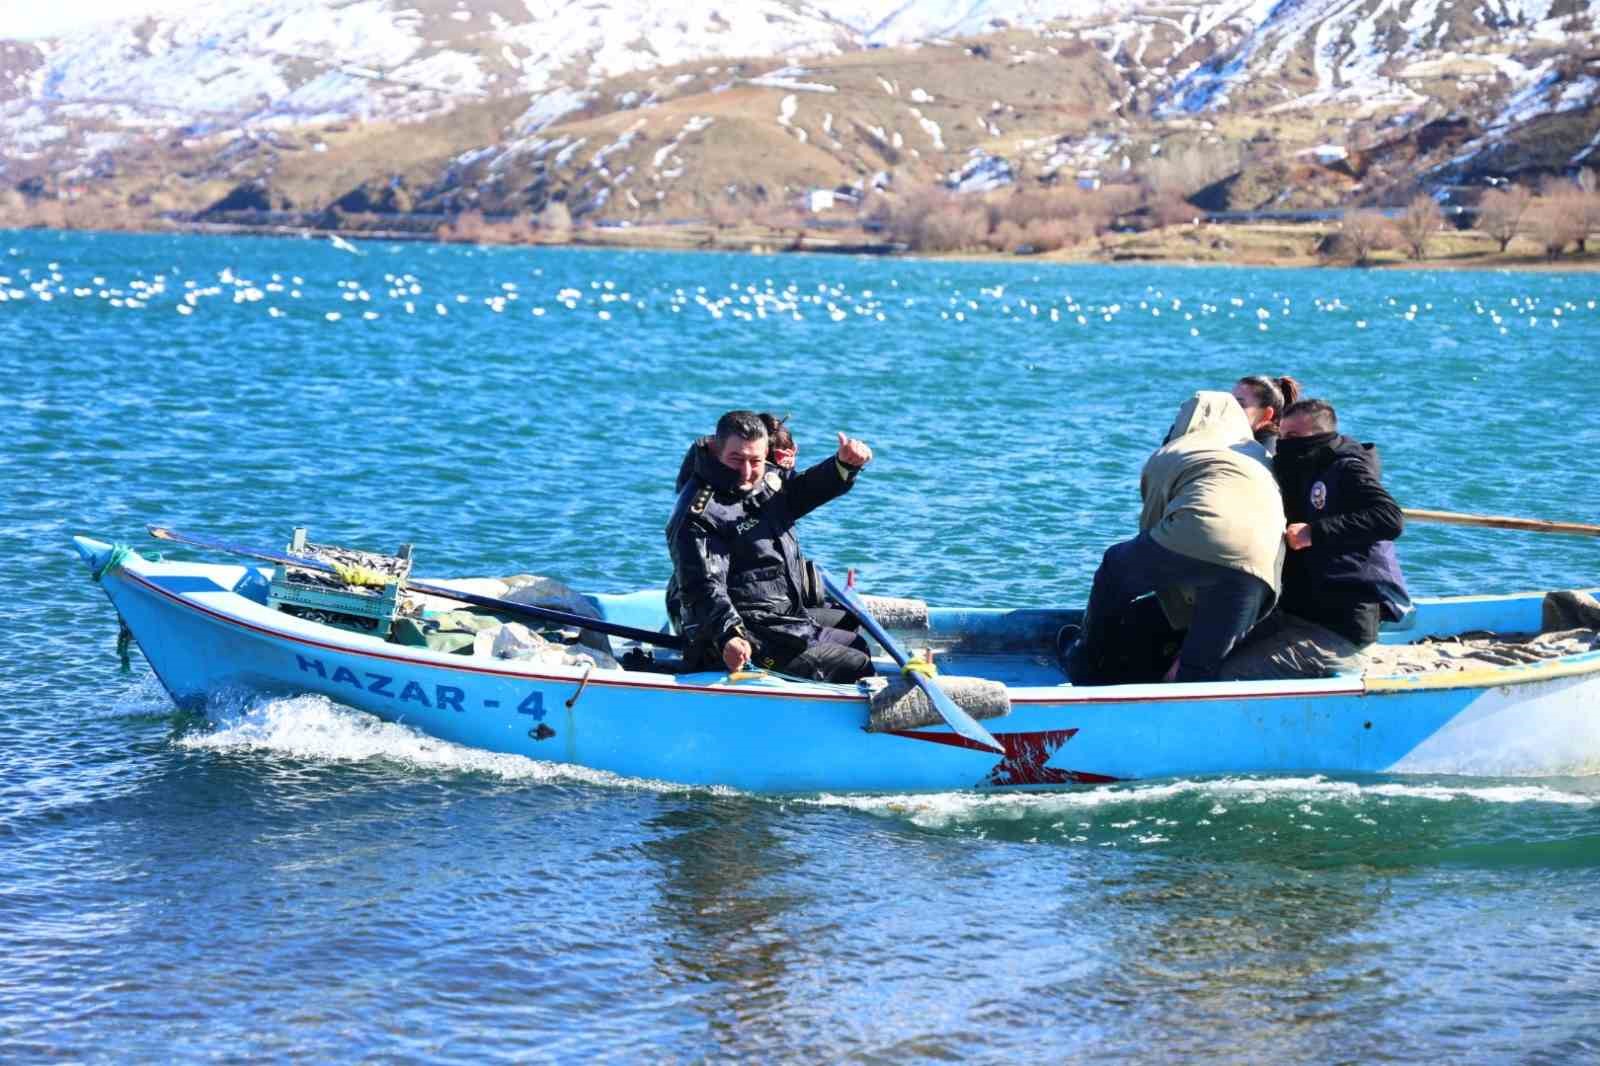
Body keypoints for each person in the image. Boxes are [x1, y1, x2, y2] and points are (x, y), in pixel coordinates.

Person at [1064, 391, 1286, 684]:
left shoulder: (1176, 450)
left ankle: (1087, 656)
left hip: (1197, 535)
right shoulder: (1262, 456)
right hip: (1260, 566)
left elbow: (1153, 523)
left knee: (1115, 566)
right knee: (1199, 670)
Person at [667, 410, 875, 682]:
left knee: (855, 640)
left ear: (765, 453)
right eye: (736, 459)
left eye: (755, 460)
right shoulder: (700, 513)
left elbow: (802, 491)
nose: (746, 472)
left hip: (779, 619)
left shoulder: (764, 481)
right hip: (741, 634)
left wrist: (842, 466)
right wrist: (729, 635)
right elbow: (703, 586)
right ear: (716, 450)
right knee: (856, 664)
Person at [1273, 398, 1409, 647]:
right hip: (1312, 604)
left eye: (1292, 435)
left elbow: (1390, 517)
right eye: (1281, 436)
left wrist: (1314, 531)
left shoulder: (1347, 468)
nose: (1283, 444)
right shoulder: (1304, 467)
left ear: (1319, 435)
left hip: (1346, 614)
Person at [1231, 375, 1302, 457]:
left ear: (1266, 414)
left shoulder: (1265, 452)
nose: (1229, 407)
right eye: (1230, 401)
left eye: (1240, 404)